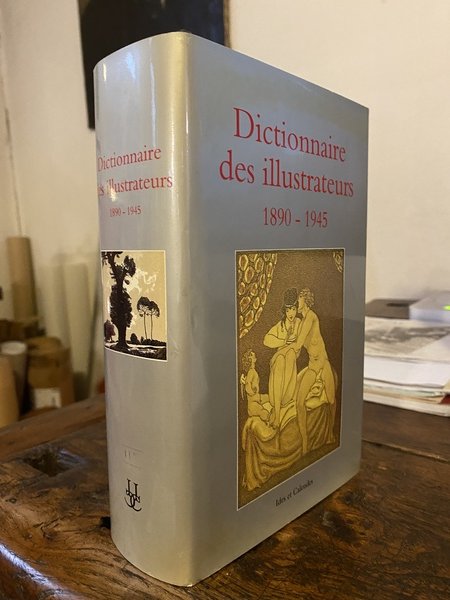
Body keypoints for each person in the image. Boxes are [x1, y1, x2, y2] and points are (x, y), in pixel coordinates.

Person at [263, 288, 302, 430]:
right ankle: (277, 414)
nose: (291, 313)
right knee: (280, 359)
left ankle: (280, 408)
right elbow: (266, 340)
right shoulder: (280, 326)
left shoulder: (299, 323)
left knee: (290, 354)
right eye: (288, 310)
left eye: (293, 309)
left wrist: (287, 347)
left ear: (297, 309)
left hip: (289, 378)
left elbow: (298, 347)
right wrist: (283, 341)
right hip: (278, 370)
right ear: (284, 311)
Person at [241, 350, 272, 423]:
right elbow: (247, 384)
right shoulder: (251, 372)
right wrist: (252, 392)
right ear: (250, 359)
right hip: (253, 404)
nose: (255, 356)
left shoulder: (253, 371)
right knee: (263, 413)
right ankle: (270, 421)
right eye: (253, 355)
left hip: (258, 398)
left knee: (269, 397)